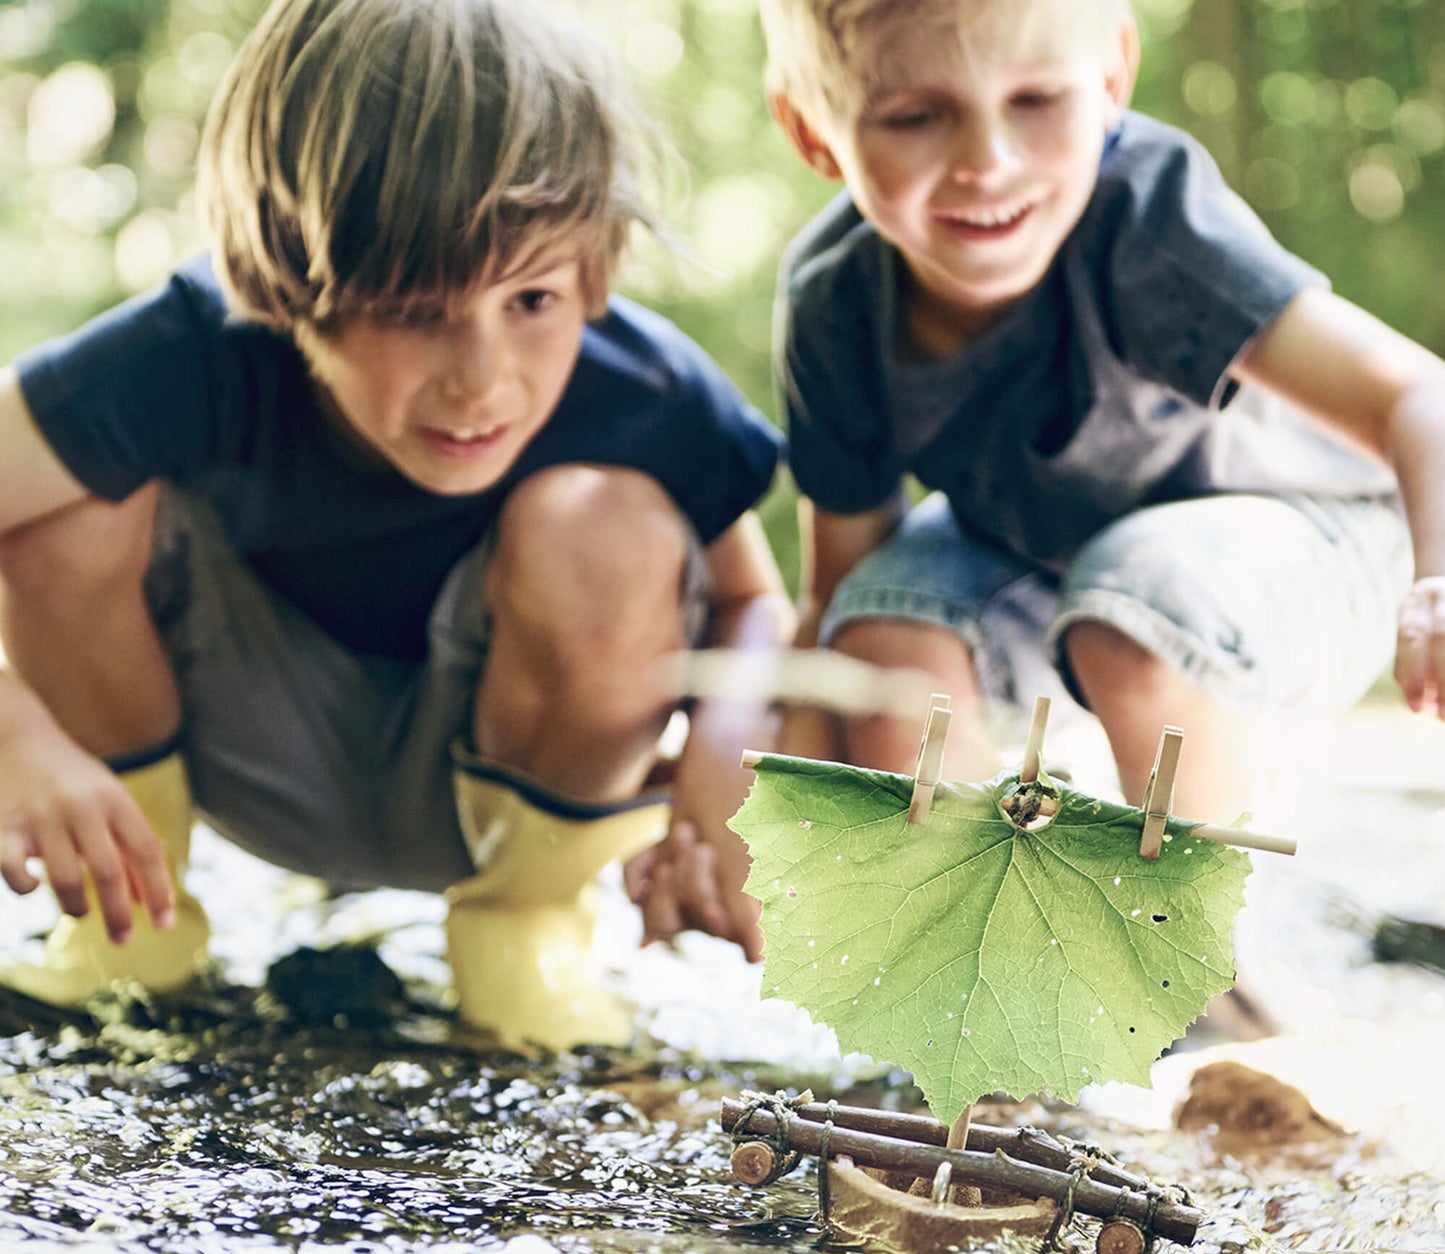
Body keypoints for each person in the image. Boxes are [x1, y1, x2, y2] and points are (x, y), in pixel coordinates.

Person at [0, 0, 792, 1051]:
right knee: (61, 502)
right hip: (236, 752)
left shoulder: (645, 388)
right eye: (415, 311)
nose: (481, 381)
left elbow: (752, 600)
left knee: (607, 523)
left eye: (531, 300)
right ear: (286, 275)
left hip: (504, 788)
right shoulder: (188, 347)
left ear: (594, 268)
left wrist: (728, 759)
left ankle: (524, 931)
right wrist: (16, 735)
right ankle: (129, 924)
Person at [758, 0, 1445, 1036]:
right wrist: (771, 806)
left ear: (1112, 77)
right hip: (1053, 557)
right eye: (913, 116)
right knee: (881, 630)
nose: (985, 161)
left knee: (1132, 600)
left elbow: (1414, 395)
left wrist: (1434, 583)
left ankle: (1201, 985)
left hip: (1321, 541)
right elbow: (833, 599)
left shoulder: (1144, 215)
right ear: (813, 132)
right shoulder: (834, 300)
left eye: (1033, 99)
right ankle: (982, 994)